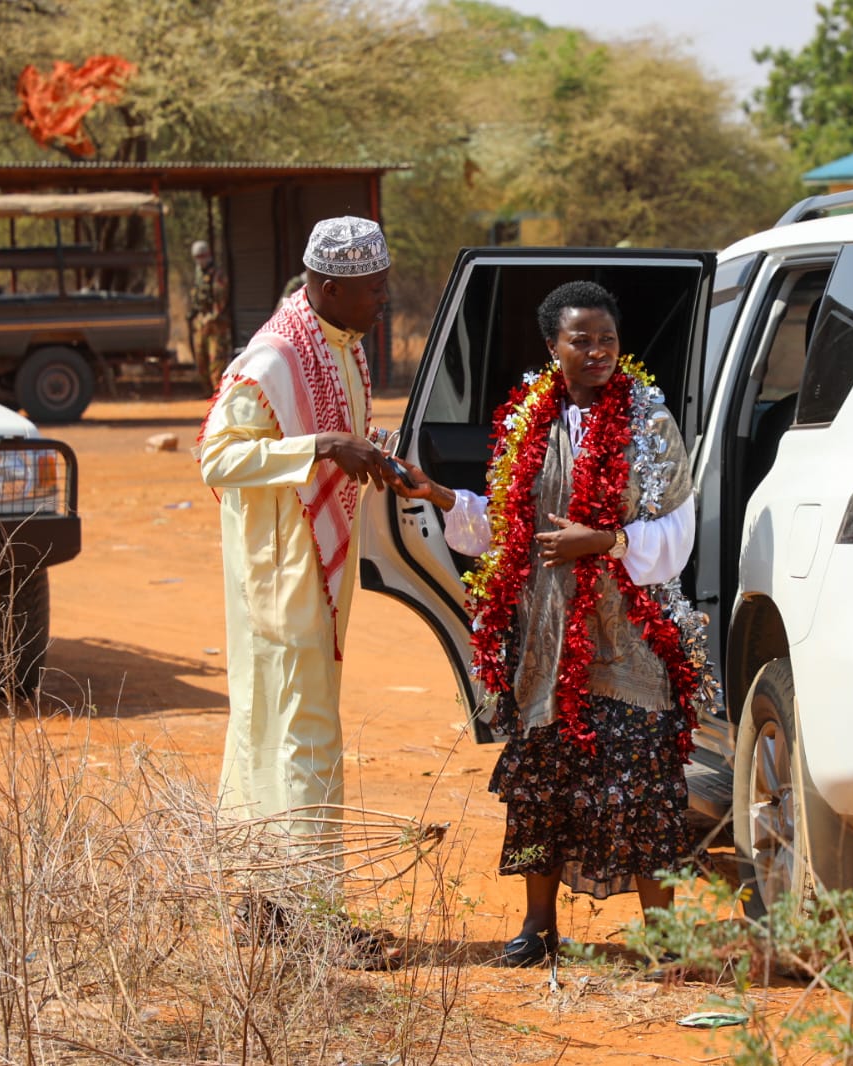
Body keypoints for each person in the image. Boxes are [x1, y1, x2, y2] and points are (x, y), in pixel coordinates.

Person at [384, 280, 719, 967]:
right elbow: (507, 529)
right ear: (552, 347)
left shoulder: (648, 424)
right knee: (539, 787)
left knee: (643, 788)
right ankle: (537, 929)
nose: (598, 352)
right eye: (581, 340)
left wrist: (602, 542)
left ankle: (665, 939)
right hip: (543, 637)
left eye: (608, 339)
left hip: (628, 639)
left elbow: (676, 536)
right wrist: (437, 493)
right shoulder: (529, 419)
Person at [196, 217, 399, 961]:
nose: (383, 300)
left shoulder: (337, 347)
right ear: (328, 287)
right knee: (302, 735)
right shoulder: (278, 356)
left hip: (311, 569)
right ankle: (313, 920)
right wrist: (321, 446)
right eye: (373, 288)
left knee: (273, 727)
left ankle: (265, 903)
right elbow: (218, 457)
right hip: (282, 571)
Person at [189, 239, 232, 391]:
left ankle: (217, 393)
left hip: (216, 324)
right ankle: (207, 391)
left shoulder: (217, 274)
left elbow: (221, 299)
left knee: (216, 360)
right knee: (200, 357)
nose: (199, 260)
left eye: (201, 256)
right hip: (201, 322)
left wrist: (211, 317)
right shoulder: (198, 274)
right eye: (197, 257)